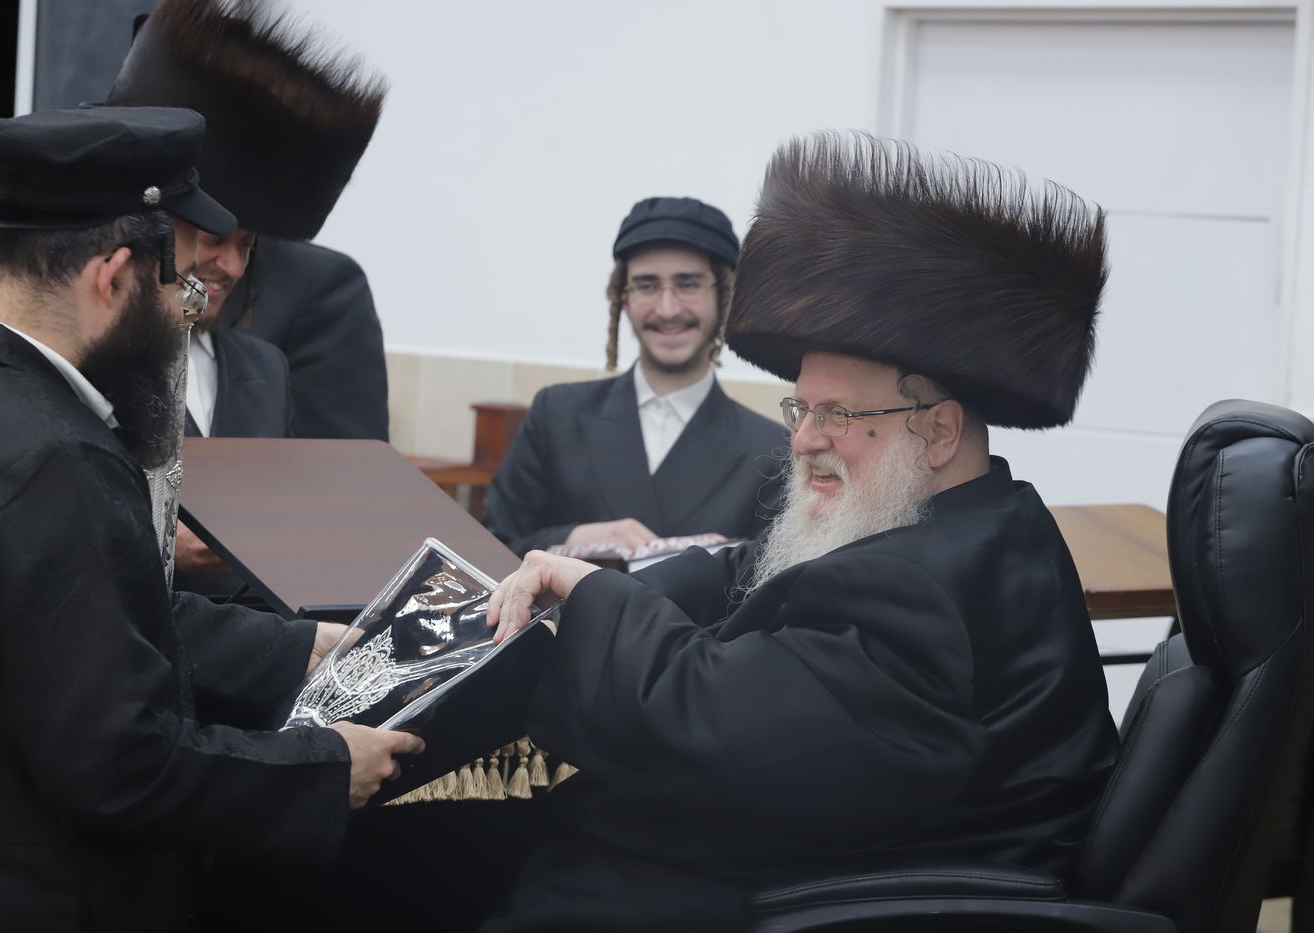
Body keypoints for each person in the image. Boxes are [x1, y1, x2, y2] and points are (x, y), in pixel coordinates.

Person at [482, 130, 1120, 931]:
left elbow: (708, 725)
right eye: (802, 409)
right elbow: (752, 567)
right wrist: (618, 578)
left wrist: (595, 597)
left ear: (939, 429)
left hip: (857, 894)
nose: (804, 439)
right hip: (845, 846)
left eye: (839, 415)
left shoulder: (919, 588)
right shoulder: (976, 517)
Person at [0, 106, 423, 931]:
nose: (190, 310)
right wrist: (327, 766)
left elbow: (72, 624)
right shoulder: (57, 455)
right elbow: (118, 763)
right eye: (180, 283)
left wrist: (303, 645)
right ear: (112, 276)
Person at [107, 0, 391, 443]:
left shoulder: (305, 308)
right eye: (214, 237)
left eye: (247, 243)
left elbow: (340, 471)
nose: (234, 265)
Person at [482, 196, 787, 557]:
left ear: (726, 297)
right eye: (647, 285)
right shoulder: (556, 415)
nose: (668, 309)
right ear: (623, 299)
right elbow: (492, 547)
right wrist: (575, 538)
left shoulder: (772, 453)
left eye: (689, 284)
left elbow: (769, 581)